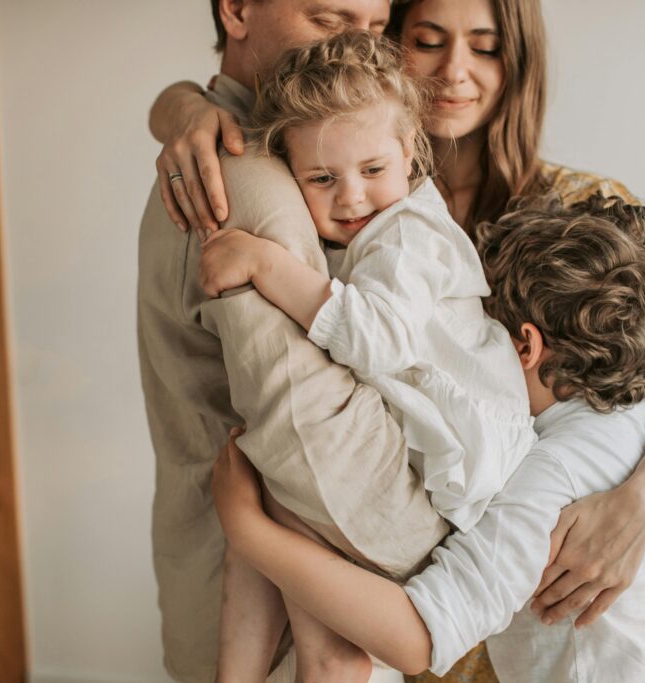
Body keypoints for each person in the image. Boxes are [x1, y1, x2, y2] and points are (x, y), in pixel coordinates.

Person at [150, 1, 645, 678]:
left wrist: (639, 508)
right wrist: (177, 105)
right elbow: (233, 102)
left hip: (498, 592)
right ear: (387, 50)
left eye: (485, 47)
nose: (455, 71)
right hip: (435, 609)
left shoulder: (576, 211)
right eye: (427, 40)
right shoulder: (338, 184)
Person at [211, 193, 645, 682]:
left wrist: (248, 530)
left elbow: (418, 638)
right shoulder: (639, 416)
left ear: (523, 346)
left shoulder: (548, 476)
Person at [198, 31, 537, 680]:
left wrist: (267, 263)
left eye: (372, 171)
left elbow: (374, 336)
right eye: (322, 179)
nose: (350, 197)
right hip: (433, 450)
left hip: (469, 475)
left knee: (283, 498)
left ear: (409, 152)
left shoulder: (409, 235)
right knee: (271, 492)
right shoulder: (375, 222)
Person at [137, 2, 456, 681]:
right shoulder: (249, 180)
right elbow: (315, 442)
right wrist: (468, 561)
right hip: (284, 621)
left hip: (243, 590)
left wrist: (176, 104)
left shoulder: (286, 153)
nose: (355, 50)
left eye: (374, 29)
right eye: (328, 19)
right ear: (238, 9)